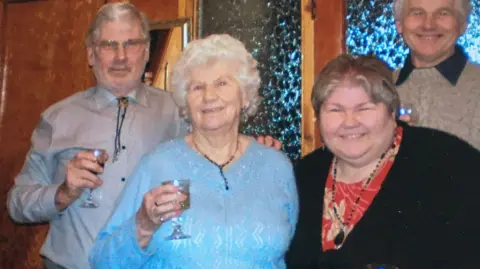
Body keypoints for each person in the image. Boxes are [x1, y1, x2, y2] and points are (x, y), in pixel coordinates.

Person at [6, 3, 279, 269]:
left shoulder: (182, 111)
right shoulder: (57, 118)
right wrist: (63, 193)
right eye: (109, 45)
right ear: (91, 55)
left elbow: (218, 165)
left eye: (131, 44)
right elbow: (17, 203)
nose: (121, 56)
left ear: (146, 51)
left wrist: (254, 153)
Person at [89, 34, 298, 268]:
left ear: (244, 96)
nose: (209, 96)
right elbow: (102, 261)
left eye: (222, 83)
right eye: (197, 87)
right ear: (185, 102)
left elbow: (295, 251)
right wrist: (143, 225)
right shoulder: (158, 165)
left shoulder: (276, 166)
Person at [286, 54, 480, 269]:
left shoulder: (449, 163)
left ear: (392, 112)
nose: (349, 122)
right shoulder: (303, 175)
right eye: (335, 110)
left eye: (364, 108)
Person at [393, 0, 480, 149]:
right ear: (399, 24)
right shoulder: (377, 89)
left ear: (462, 24)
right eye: (417, 13)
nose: (428, 25)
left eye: (443, 13)